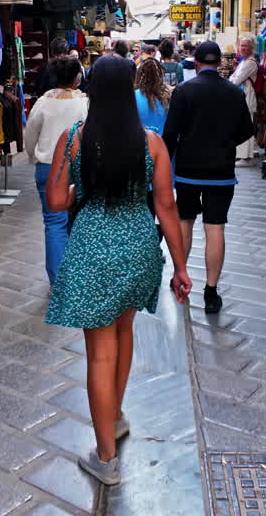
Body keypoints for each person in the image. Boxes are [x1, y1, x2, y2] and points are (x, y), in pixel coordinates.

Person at [43, 54, 192, 485]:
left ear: (91, 91)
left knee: (98, 352)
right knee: (124, 330)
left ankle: (105, 457)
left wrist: (73, 191)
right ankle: (118, 416)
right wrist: (180, 268)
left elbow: (55, 202)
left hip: (92, 246)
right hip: (138, 245)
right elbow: (166, 207)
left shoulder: (74, 139)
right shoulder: (152, 143)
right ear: (129, 89)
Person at [162, 41, 254, 314]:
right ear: (218, 64)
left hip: (188, 170)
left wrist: (166, 164)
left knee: (185, 222)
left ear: (197, 62)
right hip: (221, 171)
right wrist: (226, 144)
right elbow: (247, 130)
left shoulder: (184, 91)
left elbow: (170, 134)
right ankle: (211, 292)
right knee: (216, 228)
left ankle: (180, 274)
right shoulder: (233, 92)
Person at [24, 56, 88, 283]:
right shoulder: (84, 103)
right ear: (78, 77)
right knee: (78, 221)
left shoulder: (43, 102)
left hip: (48, 167)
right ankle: (76, 275)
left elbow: (30, 135)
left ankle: (58, 282)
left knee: (54, 223)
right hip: (79, 167)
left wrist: (34, 156)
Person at [229, 38, 260, 165]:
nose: (244, 48)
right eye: (242, 45)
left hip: (248, 97)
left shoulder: (250, 63)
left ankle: (246, 157)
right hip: (243, 97)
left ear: (252, 47)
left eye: (247, 46)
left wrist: (234, 78)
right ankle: (243, 154)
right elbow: (233, 78)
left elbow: (235, 80)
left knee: (246, 124)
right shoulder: (244, 61)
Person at [134, 57, 169, 134]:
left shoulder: (132, 96)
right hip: (162, 143)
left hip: (140, 142)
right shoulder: (168, 96)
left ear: (139, 74)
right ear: (160, 75)